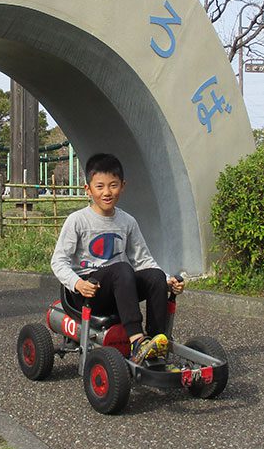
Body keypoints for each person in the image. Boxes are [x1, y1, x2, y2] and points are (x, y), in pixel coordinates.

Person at [50, 152, 185, 364]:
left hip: (121, 288)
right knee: (122, 268)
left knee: (155, 276)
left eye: (113, 185)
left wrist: (167, 279)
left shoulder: (127, 222)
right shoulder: (77, 221)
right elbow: (58, 261)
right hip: (90, 292)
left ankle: (156, 341)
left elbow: (144, 260)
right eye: (100, 186)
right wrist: (78, 284)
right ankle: (137, 340)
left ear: (122, 186)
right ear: (88, 189)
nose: (107, 192)